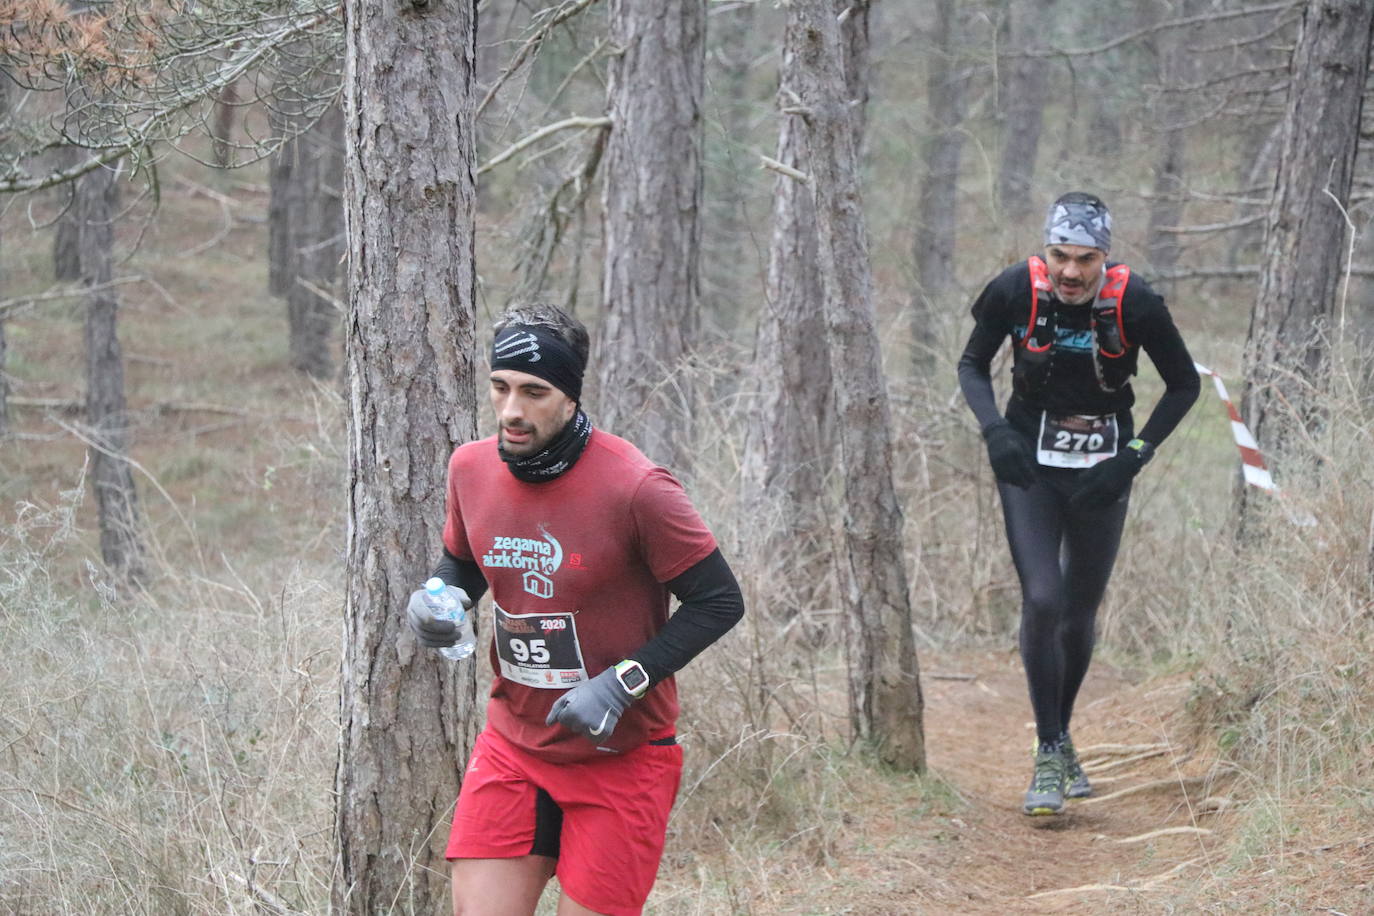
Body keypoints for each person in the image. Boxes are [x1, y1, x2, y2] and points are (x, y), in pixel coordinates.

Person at [405, 301, 745, 915]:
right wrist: (441, 598)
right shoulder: (470, 468)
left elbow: (719, 601)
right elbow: (463, 562)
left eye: (534, 392)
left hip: (622, 756)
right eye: (500, 388)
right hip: (513, 744)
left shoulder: (637, 488)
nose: (511, 410)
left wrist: (621, 684)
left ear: (569, 397)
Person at [956, 192, 1200, 816]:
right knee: (1043, 598)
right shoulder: (1015, 289)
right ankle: (1047, 750)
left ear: (1104, 258)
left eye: (1085, 260)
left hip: (1103, 470)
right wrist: (995, 432)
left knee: (1079, 612)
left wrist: (1134, 454)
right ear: (1046, 251)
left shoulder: (1136, 301)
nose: (1070, 272)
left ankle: (1061, 736)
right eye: (1060, 255)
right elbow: (973, 364)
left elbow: (1184, 384)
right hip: (1028, 463)